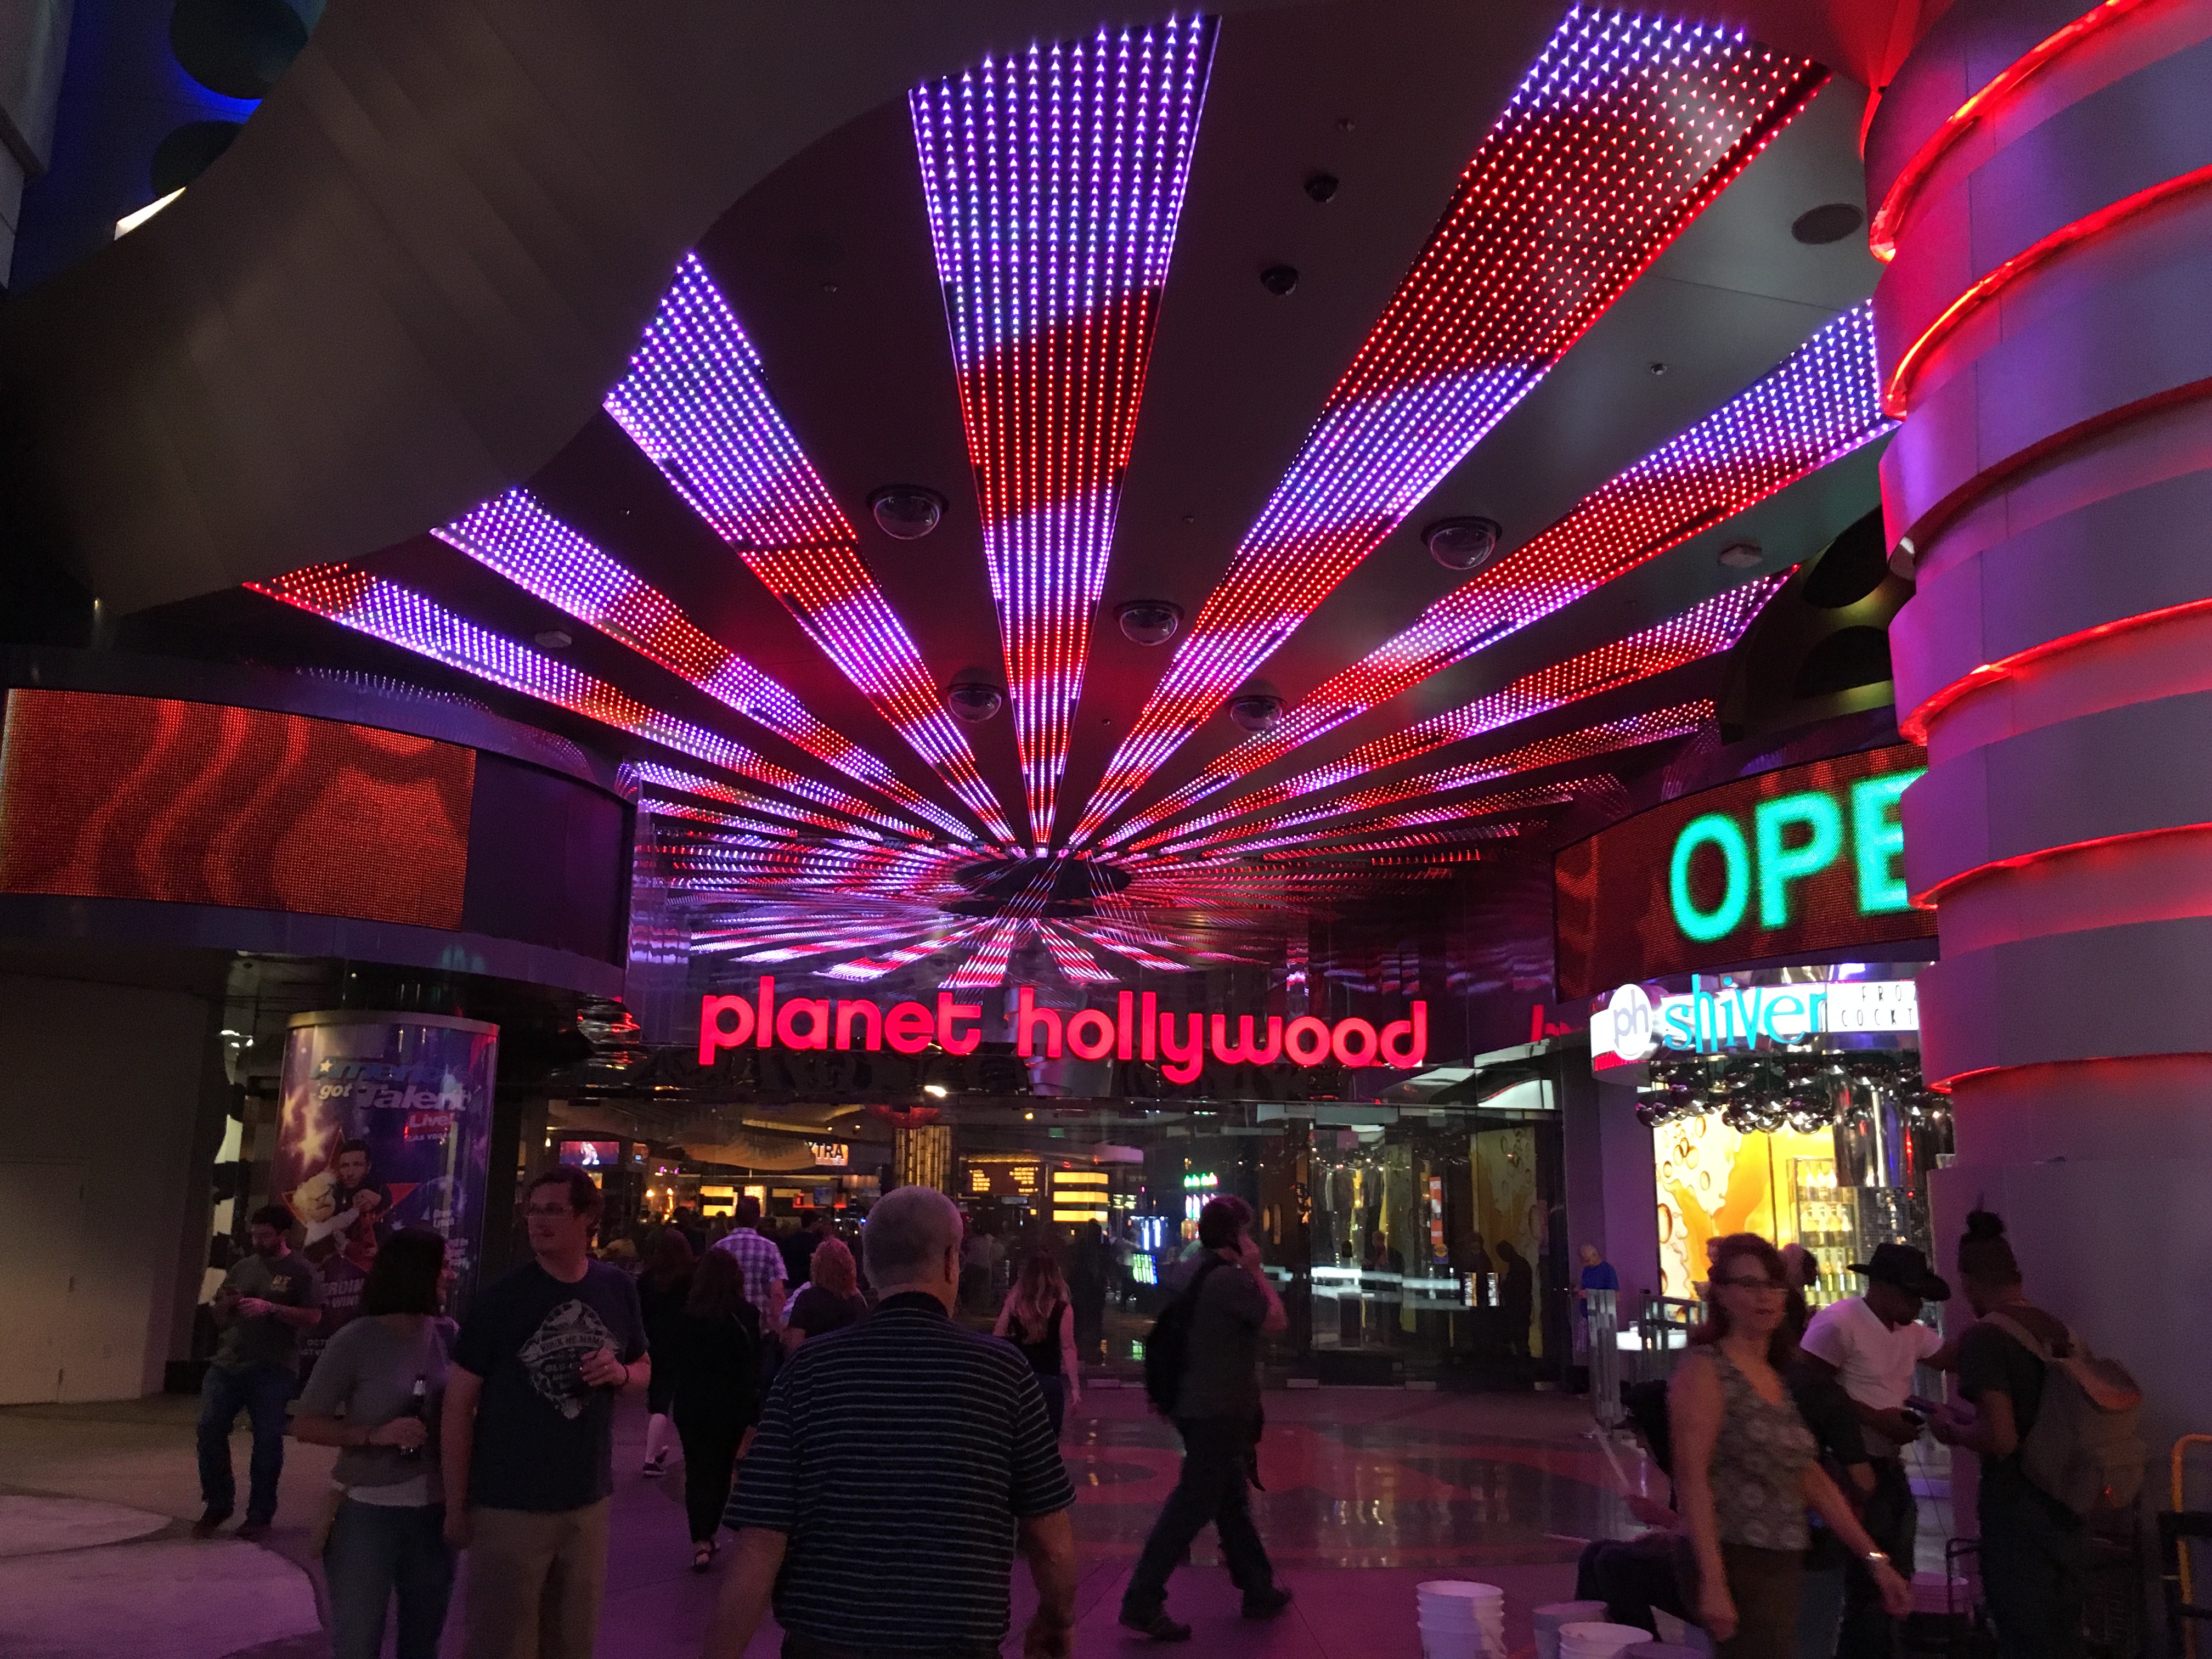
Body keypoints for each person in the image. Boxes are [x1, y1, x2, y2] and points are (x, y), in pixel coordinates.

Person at [701, 1184, 1077, 1659]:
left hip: (826, 1642)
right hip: (955, 1643)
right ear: (950, 1261)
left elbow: (759, 1546)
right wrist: (1055, 1619)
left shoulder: (809, 1371)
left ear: (870, 1266)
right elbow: (1051, 1543)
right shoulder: (1002, 1374)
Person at [1671, 1233, 1912, 1659]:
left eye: (1773, 1285)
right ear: (1721, 1295)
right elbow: (1692, 1478)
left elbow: (1808, 1476)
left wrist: (1875, 1560)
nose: (1764, 1296)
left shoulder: (1773, 1373)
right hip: (1737, 1557)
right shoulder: (1706, 1369)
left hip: (1782, 1561)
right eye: (1748, 1285)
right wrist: (1713, 1581)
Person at [441, 1166, 649, 1659]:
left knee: (573, 1642)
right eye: (532, 1210)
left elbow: (643, 1368)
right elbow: (458, 1403)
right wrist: (455, 1504)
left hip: (587, 1501)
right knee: (502, 1643)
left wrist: (620, 1374)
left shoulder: (616, 1288)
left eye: (553, 1210)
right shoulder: (502, 1299)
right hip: (509, 1504)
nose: (538, 1221)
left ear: (587, 1218)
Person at [1120, 1195, 1292, 1641]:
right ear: (1235, 1236)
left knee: (1229, 1500)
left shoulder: (1190, 1270)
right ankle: (1142, 1598)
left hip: (1191, 1402)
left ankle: (1257, 1586)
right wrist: (1256, 1270)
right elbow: (1276, 1319)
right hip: (1220, 1407)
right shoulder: (1231, 1281)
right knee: (1193, 1504)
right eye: (1247, 1232)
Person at [1928, 1211, 2089, 1659]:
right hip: (2068, 1503)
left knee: (2024, 1638)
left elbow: (2001, 1438)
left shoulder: (1985, 1338)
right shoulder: (2056, 1329)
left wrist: (1954, 1431)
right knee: (2064, 1638)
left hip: (2018, 1514)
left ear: (1967, 1282)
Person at [294, 1228, 458, 1659]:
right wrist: (373, 1435)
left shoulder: (448, 1335)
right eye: (443, 1266)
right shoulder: (356, 1339)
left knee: (423, 1641)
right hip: (367, 1512)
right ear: (416, 1273)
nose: (451, 1275)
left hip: (435, 1512)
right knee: (359, 1641)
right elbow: (306, 1424)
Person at [1799, 1243, 1958, 1659]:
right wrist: (1876, 1419)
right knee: (1859, 1581)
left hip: (1886, 1464)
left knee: (1891, 1573)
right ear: (1883, 1288)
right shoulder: (1839, 1323)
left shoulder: (1909, 1331)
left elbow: (1950, 1358)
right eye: (1911, 1295)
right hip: (1842, 1466)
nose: (1917, 1305)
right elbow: (1810, 1390)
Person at [196, 1203, 323, 1539]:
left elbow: (314, 1317)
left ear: (283, 1235)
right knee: (209, 1429)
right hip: (227, 1363)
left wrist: (271, 1308)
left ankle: (260, 1514)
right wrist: (227, 1304)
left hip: (273, 1368)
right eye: (254, 1235)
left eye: (265, 1235)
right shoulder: (242, 1267)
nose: (257, 1241)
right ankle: (218, 1503)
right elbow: (217, 1316)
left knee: (267, 1440)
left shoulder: (301, 1271)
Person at [669, 1247, 762, 1572]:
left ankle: (700, 1538)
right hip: (729, 1404)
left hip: (692, 1403)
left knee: (697, 1469)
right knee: (722, 1470)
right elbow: (752, 1363)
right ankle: (709, 1531)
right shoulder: (746, 1315)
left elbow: (675, 1361)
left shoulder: (687, 1316)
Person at [995, 1250, 1082, 1439]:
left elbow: (998, 1337)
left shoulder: (1016, 1305)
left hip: (1019, 1383)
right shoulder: (1062, 1308)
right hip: (1049, 1384)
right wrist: (1075, 1388)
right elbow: (1068, 1348)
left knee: (1020, 1440)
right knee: (1049, 1440)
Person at [637, 1226, 696, 1477]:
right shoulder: (688, 1279)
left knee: (657, 1398)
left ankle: (655, 1448)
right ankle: (651, 1459)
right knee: (670, 1399)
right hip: (681, 1342)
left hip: (652, 1341)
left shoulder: (646, 1280)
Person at [709, 1195, 786, 1340]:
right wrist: (780, 1329)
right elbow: (777, 1293)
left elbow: (710, 1288)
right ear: (758, 1219)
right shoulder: (770, 1248)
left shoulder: (719, 1247)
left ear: (735, 1219)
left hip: (723, 1325)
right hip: (760, 1327)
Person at [784, 1237, 868, 1353]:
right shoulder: (857, 1300)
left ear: (817, 1265)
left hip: (816, 1361)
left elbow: (795, 1345)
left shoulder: (807, 1299)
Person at [1069, 1220, 1112, 1361]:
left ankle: (1086, 1343)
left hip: (1088, 1286)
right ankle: (1092, 1342)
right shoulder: (1102, 1247)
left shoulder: (1082, 1247)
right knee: (1094, 1314)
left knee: (1087, 1315)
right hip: (1093, 1285)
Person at [1497, 1239, 1534, 1361]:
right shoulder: (1521, 1263)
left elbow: (1514, 1287)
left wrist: (1504, 1283)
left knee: (1518, 1334)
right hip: (1523, 1304)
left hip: (1518, 1305)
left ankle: (1521, 1359)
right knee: (1522, 1334)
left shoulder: (1517, 1265)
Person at [781, 1212, 830, 1291]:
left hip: (790, 1282)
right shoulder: (816, 1242)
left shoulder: (790, 1239)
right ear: (813, 1223)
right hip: (808, 1284)